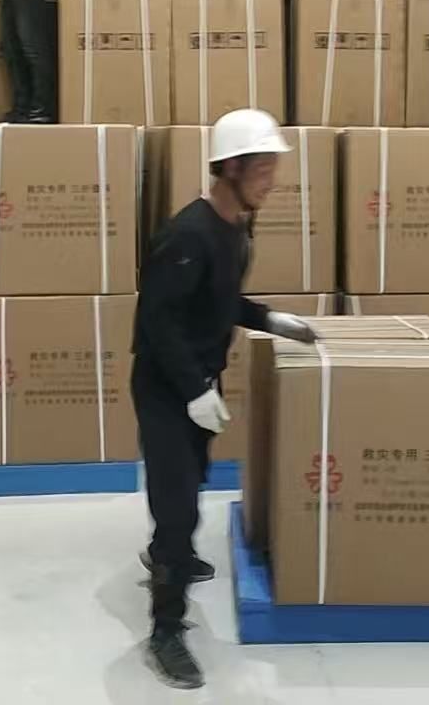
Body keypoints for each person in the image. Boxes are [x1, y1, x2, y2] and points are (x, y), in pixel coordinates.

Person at [130, 108, 318, 690]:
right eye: (263, 169)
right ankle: (166, 631)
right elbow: (156, 320)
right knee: (178, 505)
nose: (272, 181)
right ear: (230, 167)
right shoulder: (188, 234)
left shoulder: (236, 228)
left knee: (194, 476)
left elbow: (219, 300)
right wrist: (192, 391)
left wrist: (269, 319)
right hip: (166, 387)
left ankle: (168, 553)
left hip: (199, 381)